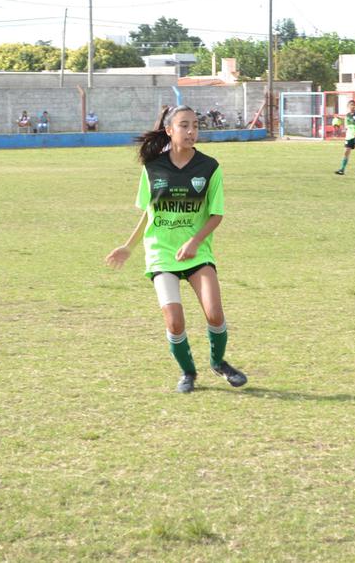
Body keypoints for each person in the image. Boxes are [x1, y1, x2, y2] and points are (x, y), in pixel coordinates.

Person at [105, 105, 248, 394]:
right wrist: (128, 246)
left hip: (198, 253)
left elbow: (216, 214)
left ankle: (218, 363)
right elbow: (150, 213)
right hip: (161, 253)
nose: (191, 131)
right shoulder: (153, 168)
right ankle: (187, 372)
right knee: (174, 320)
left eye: (195, 125)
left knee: (215, 314)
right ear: (170, 130)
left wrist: (194, 242)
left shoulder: (209, 167)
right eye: (184, 125)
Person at [334, 99, 355, 175]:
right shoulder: (347, 116)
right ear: (348, 106)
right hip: (349, 137)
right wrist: (339, 122)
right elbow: (347, 126)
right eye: (351, 105)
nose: (352, 106)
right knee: (346, 152)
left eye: (354, 105)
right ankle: (342, 170)